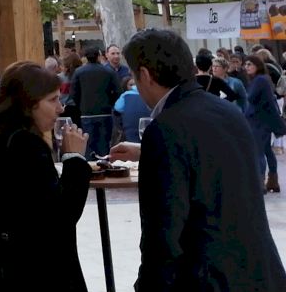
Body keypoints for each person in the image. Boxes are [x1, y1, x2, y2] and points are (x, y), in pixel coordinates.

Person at [115, 29, 286, 291]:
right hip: (260, 272)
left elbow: (162, 235)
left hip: (207, 278)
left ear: (145, 75)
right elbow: (210, 159)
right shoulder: (227, 111)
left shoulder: (165, 129)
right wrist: (145, 151)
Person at [0, 61, 92, 291]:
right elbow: (59, 218)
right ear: (28, 103)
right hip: (29, 272)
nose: (60, 108)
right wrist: (74, 159)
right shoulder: (26, 146)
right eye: (52, 100)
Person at [245, 55, 286, 192]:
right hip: (262, 120)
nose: (246, 67)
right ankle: (272, 181)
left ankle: (261, 182)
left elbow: (252, 98)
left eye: (250, 64)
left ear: (257, 66)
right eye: (246, 64)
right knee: (267, 150)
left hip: (258, 121)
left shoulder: (260, 80)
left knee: (259, 152)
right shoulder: (262, 79)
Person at [70, 47, 119, 159]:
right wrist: (110, 103)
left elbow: (73, 93)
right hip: (105, 113)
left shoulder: (79, 72)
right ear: (99, 56)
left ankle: (90, 166)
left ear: (85, 57)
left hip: (86, 114)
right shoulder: (108, 71)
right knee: (104, 146)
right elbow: (118, 91)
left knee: (88, 146)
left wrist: (81, 105)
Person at [114, 77, 152, 143]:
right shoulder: (148, 94)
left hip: (130, 126)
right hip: (147, 124)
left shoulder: (125, 95)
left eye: (135, 84)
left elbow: (117, 108)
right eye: (131, 85)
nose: (134, 86)